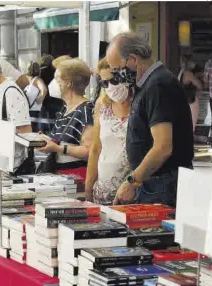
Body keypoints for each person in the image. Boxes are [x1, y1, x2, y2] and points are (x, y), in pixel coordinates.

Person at [107, 33, 194, 207]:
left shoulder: (157, 86)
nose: (116, 76)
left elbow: (162, 147)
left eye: (117, 69)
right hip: (155, 182)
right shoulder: (149, 84)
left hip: (163, 185)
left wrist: (132, 181)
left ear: (133, 59)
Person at [86, 58, 132, 205]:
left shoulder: (140, 103)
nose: (110, 87)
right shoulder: (102, 104)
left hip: (130, 192)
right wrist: (88, 190)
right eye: (104, 83)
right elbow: (96, 148)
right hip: (102, 191)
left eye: (114, 80)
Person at [37, 59, 95, 175]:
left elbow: (89, 150)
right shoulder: (65, 108)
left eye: (57, 78)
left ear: (68, 83)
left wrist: (57, 148)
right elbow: (65, 141)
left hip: (76, 177)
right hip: (60, 176)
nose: (53, 83)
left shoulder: (85, 110)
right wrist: (47, 140)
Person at [178, 54, 202, 131]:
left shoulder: (182, 72)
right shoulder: (188, 73)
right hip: (190, 101)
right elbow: (199, 85)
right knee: (191, 125)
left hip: (183, 101)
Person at [24, 61, 48, 131]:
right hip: (30, 112)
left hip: (36, 112)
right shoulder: (31, 81)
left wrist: (40, 99)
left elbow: (44, 90)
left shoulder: (37, 79)